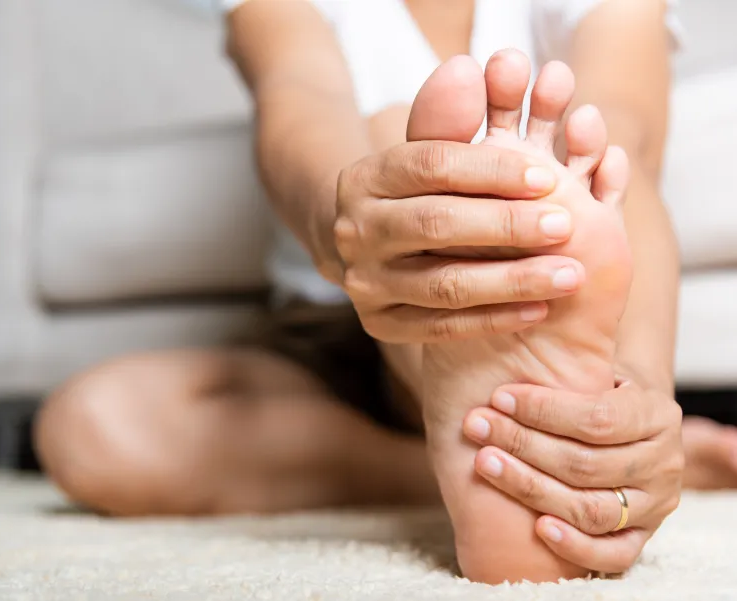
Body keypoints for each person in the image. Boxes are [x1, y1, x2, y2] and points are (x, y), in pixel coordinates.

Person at [34, 0, 692, 584]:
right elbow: (299, 102)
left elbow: (624, 147)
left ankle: (506, 413)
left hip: (534, 291)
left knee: (577, 174)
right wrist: (359, 224)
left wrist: (634, 396)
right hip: (330, 319)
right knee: (91, 427)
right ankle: (502, 459)